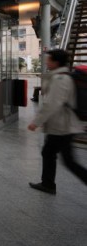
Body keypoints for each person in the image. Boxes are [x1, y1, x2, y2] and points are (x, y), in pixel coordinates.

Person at [27, 49, 87, 195]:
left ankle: (48, 184)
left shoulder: (61, 79)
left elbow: (52, 103)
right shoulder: (61, 76)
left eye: (48, 59)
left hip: (63, 126)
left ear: (56, 62)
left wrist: (36, 121)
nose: (46, 62)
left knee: (68, 161)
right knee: (49, 153)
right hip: (62, 125)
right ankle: (47, 183)